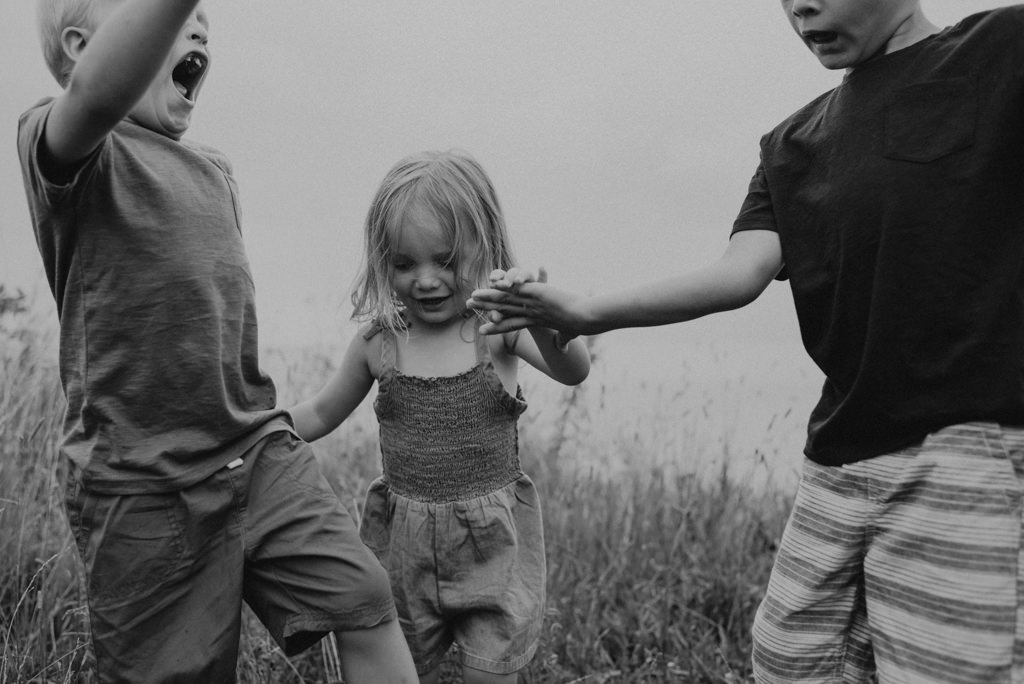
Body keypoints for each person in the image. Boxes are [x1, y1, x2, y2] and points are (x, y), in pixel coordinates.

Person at [468, 0, 1024, 681]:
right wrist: (584, 311)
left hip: (964, 456)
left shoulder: (1000, 49)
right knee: (790, 660)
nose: (802, 7)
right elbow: (738, 273)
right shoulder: (792, 145)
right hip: (838, 461)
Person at [17, 1, 417, 681]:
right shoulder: (72, 151)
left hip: (256, 450)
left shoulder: (214, 171)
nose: (198, 23)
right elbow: (100, 91)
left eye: (204, 16)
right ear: (85, 46)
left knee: (363, 595)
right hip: (144, 485)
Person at [288, 149, 590, 683]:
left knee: (489, 673)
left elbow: (573, 371)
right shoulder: (379, 341)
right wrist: (256, 425)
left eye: (445, 260)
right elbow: (318, 412)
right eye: (405, 264)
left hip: (492, 550)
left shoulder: (499, 328)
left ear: (486, 245)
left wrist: (546, 322)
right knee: (392, 670)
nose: (425, 280)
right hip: (402, 549)